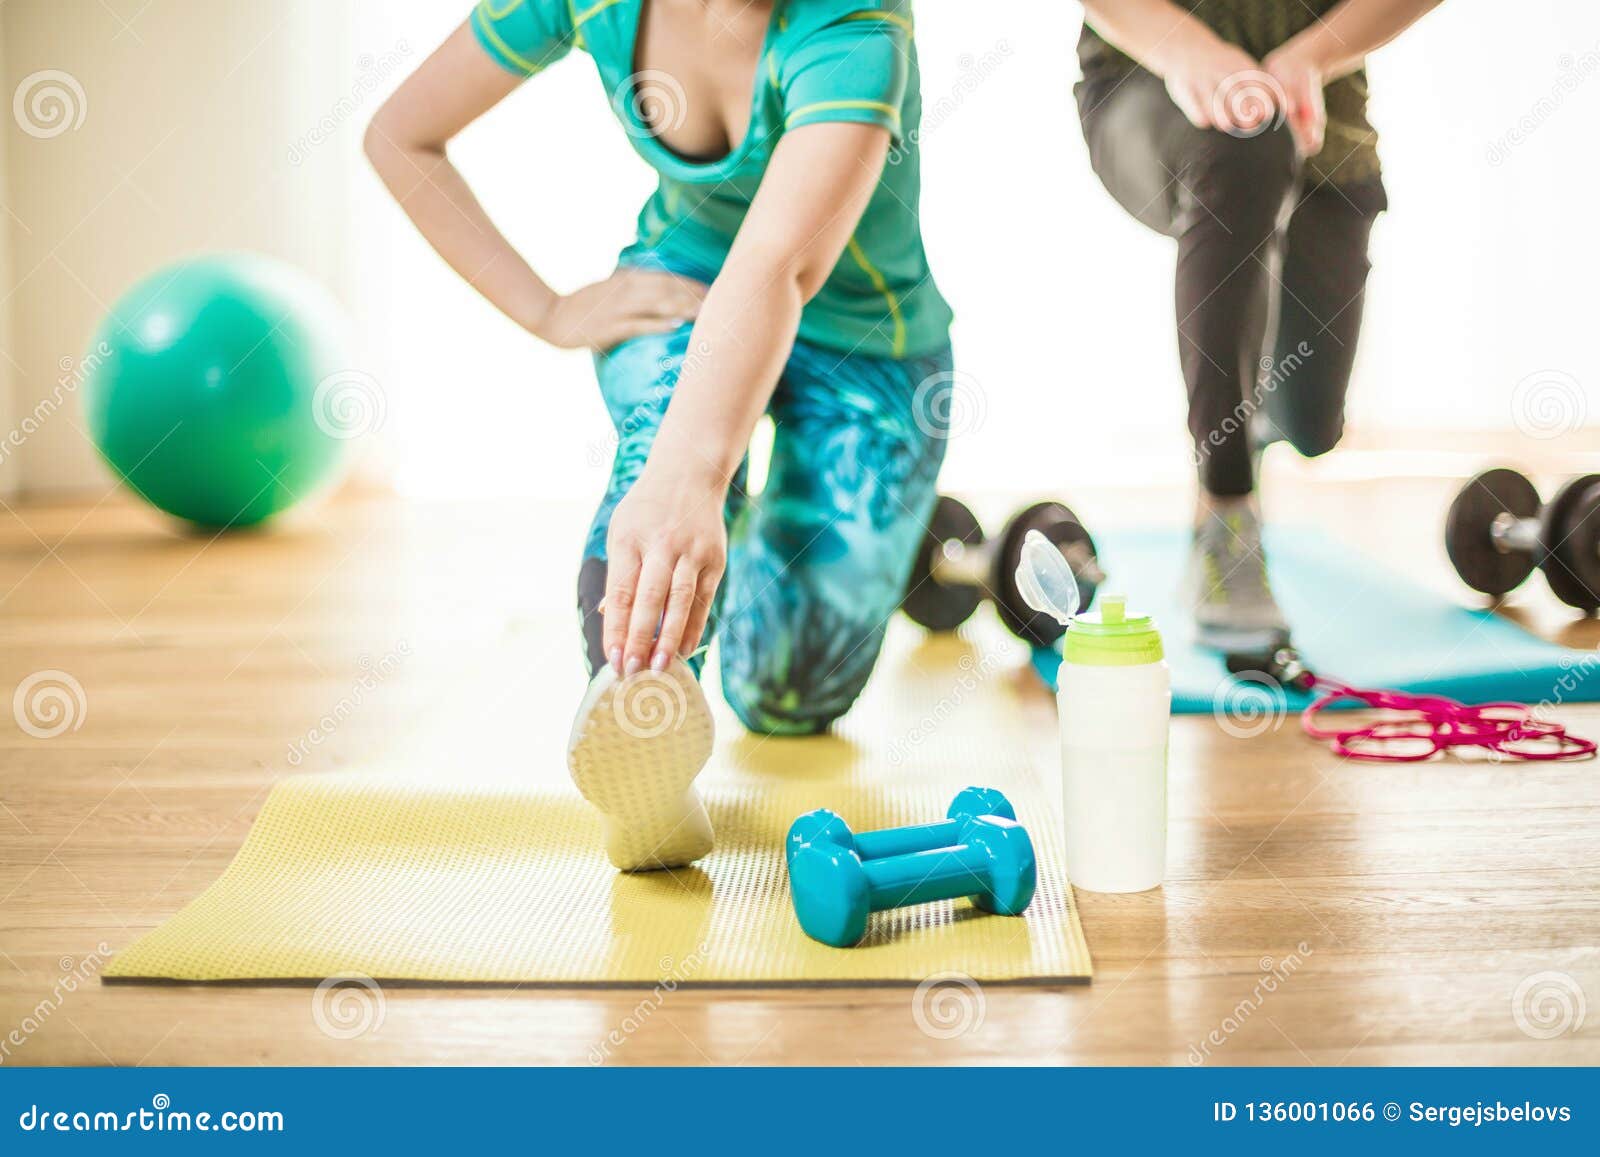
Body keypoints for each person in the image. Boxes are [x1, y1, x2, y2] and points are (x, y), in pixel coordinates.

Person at [367, 0, 951, 869]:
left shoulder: (857, 28)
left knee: (787, 696)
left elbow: (779, 266)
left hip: (865, 343)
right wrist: (549, 311)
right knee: (665, 443)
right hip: (680, 288)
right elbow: (400, 135)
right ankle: (635, 722)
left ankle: (873, 543)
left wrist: (700, 477)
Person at [1074, 0, 1441, 651]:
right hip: (1152, 90)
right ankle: (1226, 513)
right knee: (1248, 133)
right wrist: (1188, 49)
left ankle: (1251, 412)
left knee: (1312, 425)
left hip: (1323, 117)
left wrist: (1312, 54)